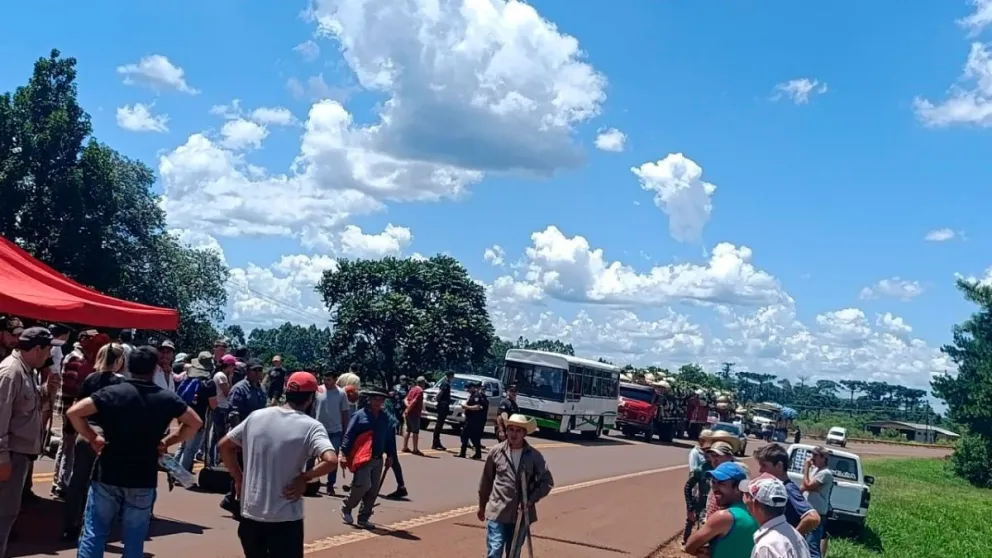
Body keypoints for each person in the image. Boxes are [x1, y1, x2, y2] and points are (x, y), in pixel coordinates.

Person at [68, 346, 201, 558]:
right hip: (143, 476)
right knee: (134, 537)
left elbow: (74, 412)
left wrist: (94, 437)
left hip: (108, 473)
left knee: (95, 531)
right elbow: (195, 422)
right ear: (155, 369)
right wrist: (168, 441)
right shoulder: (165, 398)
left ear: (129, 366)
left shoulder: (113, 392)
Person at [219, 372, 337, 558]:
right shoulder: (311, 426)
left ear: (286, 391)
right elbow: (331, 460)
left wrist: (239, 478)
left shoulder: (256, 416)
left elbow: (224, 446)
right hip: (285, 519)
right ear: (311, 399)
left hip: (251, 515)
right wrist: (304, 478)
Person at [61, 343, 126, 540]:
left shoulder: (90, 378)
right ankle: (93, 526)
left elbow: (77, 404)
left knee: (77, 481)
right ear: (117, 360)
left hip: (85, 432)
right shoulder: (120, 382)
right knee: (101, 485)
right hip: (106, 436)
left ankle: (69, 525)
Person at [0, 327, 51, 558]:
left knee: (7, 514)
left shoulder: (27, 370)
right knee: (3, 515)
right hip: (10, 455)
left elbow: (23, 405)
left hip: (19, 455)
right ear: (38, 348)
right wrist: (2, 459)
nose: (49, 355)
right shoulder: (10, 373)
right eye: (48, 349)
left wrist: (45, 391)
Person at [477, 414, 554, 558]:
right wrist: (482, 506)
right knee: (495, 549)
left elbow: (547, 481)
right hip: (497, 511)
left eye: (518, 430)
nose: (513, 434)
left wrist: (530, 500)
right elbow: (486, 481)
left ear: (524, 433)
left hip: (521, 514)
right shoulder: (496, 452)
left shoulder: (534, 456)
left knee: (513, 552)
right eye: (510, 429)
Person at [339, 388, 397, 528]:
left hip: (378, 457)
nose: (378, 402)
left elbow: (390, 438)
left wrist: (390, 455)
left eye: (381, 399)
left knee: (373, 490)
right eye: (376, 399)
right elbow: (349, 435)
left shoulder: (386, 417)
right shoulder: (359, 415)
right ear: (369, 400)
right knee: (363, 485)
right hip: (362, 457)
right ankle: (347, 507)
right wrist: (343, 454)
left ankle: (364, 517)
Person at [220, 358, 268, 516]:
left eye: (260, 370)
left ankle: (232, 500)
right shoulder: (239, 389)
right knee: (240, 471)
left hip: (257, 436)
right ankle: (237, 503)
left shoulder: (260, 389)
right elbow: (233, 413)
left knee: (250, 471)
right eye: (255, 370)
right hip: (241, 435)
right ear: (247, 372)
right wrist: (238, 439)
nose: (258, 373)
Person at [683, 462, 757, 558]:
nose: (715, 488)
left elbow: (689, 546)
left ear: (738, 488)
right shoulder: (752, 512)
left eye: (722, 483)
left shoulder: (724, 517)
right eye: (713, 482)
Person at [754, 444, 821, 537]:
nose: (760, 470)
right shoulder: (778, 488)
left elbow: (813, 518)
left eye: (764, 466)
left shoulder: (787, 489)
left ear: (779, 466)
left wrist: (793, 537)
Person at [742, 474, 812, 558]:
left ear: (755, 504)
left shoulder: (767, 546)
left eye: (748, 496)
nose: (745, 500)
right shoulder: (797, 537)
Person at [176, 351, 218, 473]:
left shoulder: (189, 378)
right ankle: (180, 475)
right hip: (198, 419)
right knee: (190, 449)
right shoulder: (209, 384)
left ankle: (173, 471)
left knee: (182, 445)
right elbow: (213, 405)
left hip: (184, 415)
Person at [312, 370, 349, 496]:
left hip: (335, 431)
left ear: (335, 379)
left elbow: (345, 413)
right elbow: (313, 408)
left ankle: (330, 485)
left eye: (329, 380)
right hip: (319, 430)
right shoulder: (318, 390)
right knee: (311, 456)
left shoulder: (341, 393)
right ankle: (310, 481)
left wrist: (345, 430)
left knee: (332, 459)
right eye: (325, 379)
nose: (326, 382)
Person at [801, 446, 834, 558]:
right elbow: (805, 487)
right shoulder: (816, 471)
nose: (812, 458)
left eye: (815, 455)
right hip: (807, 511)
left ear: (823, 457)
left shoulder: (825, 473)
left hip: (817, 513)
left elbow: (808, 485)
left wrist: (806, 468)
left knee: (812, 545)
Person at [683, 430, 715, 543]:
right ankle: (686, 541)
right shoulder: (696, 455)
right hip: (698, 490)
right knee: (693, 518)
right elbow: (692, 475)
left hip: (708, 498)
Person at [209, 355, 236, 466]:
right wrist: (230, 379)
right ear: (229, 366)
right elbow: (227, 393)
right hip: (221, 408)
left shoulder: (221, 375)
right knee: (220, 436)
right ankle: (217, 460)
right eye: (233, 366)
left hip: (220, 407)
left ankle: (213, 459)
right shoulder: (221, 376)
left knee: (216, 435)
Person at [459, 381, 488, 459]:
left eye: (468, 388)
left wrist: (466, 407)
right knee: (471, 436)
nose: (467, 390)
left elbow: (477, 407)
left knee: (465, 435)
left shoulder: (476, 396)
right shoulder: (472, 395)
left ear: (472, 388)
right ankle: (477, 454)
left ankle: (463, 453)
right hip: (471, 419)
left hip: (474, 420)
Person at [402, 376, 426, 455]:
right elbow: (414, 401)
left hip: (409, 413)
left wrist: (407, 408)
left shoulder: (412, 389)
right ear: (422, 383)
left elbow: (405, 399)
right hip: (414, 413)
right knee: (415, 431)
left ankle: (405, 446)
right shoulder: (420, 391)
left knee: (408, 430)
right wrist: (409, 409)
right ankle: (415, 449)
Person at [432, 371, 454, 451]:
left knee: (440, 424)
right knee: (439, 424)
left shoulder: (446, 383)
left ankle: (437, 442)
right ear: (450, 376)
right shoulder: (446, 384)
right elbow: (440, 393)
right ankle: (435, 442)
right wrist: (437, 401)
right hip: (443, 405)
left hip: (444, 405)